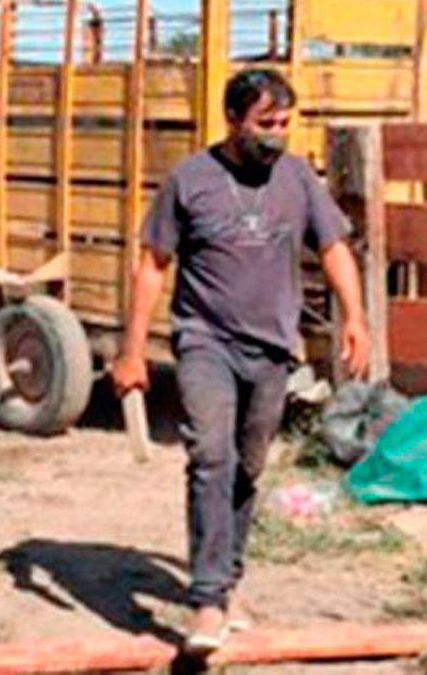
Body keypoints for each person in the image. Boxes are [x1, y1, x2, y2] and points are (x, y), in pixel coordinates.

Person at [110, 68, 370, 653]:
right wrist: (131, 352)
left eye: (284, 124)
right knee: (211, 455)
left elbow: (333, 247)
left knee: (248, 467)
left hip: (274, 347)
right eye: (264, 124)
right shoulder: (191, 179)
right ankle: (205, 601)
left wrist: (355, 316)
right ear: (232, 120)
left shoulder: (299, 178)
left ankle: (227, 580)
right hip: (206, 340)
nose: (276, 135)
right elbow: (153, 265)